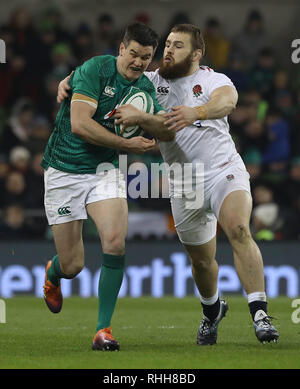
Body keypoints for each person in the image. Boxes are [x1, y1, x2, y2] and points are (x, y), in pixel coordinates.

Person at [58, 24, 279, 345]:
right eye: (168, 44)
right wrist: (67, 81)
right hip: (184, 183)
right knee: (202, 262)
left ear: (196, 53)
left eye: (178, 46)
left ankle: (260, 313)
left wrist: (196, 112)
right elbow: (102, 74)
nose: (168, 51)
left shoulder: (213, 79)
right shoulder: (150, 82)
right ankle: (212, 310)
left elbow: (228, 102)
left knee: (238, 229)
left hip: (222, 170)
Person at [42, 22, 173, 352]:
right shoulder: (95, 70)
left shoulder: (143, 89)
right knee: (73, 265)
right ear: (121, 48)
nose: (139, 62)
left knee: (115, 241)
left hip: (104, 170)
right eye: (134, 54)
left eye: (146, 57)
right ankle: (54, 272)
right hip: (63, 169)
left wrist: (144, 119)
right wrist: (127, 145)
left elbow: (166, 132)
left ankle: (103, 330)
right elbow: (79, 124)